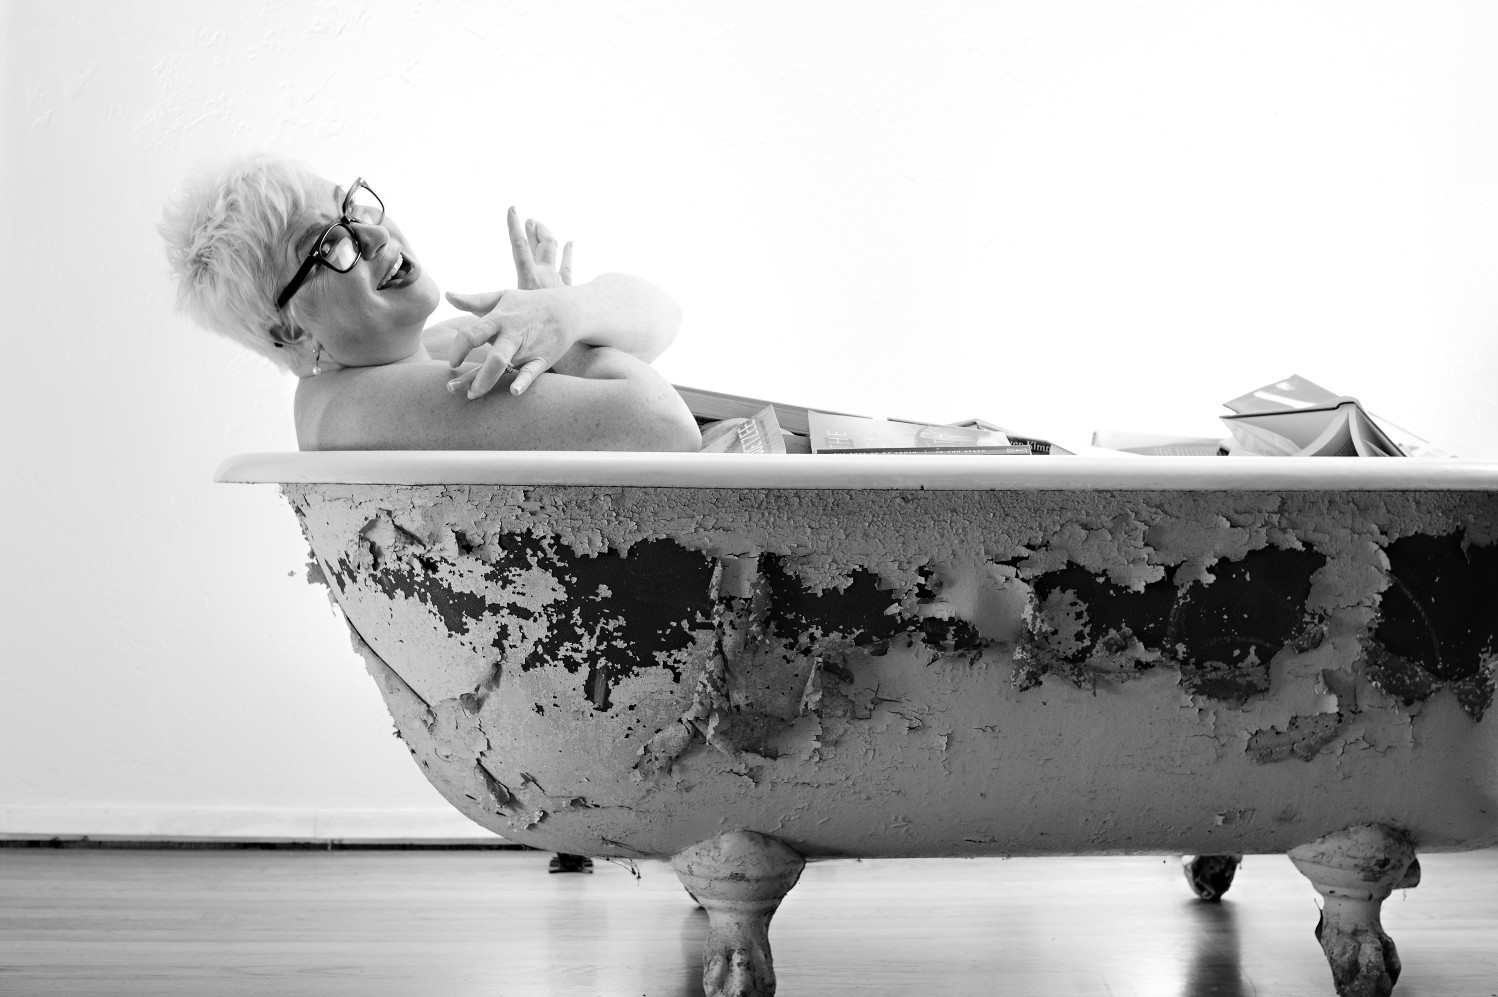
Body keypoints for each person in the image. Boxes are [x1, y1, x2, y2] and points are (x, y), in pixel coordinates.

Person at [161, 156, 702, 452]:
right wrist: (565, 321)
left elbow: (664, 323)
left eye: (351, 206)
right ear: (294, 332)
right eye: (331, 244)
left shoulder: (424, 353)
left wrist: (569, 311)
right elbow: (661, 424)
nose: (373, 235)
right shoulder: (363, 406)